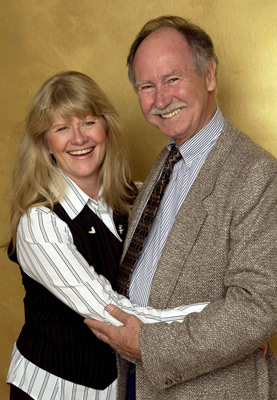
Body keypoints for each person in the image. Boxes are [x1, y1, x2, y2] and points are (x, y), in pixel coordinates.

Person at [85, 16, 277, 400]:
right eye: (146, 86)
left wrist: (149, 346)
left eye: (172, 79)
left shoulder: (256, 173)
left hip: (211, 390)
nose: (160, 100)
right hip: (140, 382)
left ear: (209, 75)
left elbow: (259, 305)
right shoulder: (169, 158)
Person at [5, 70, 210, 400]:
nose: (79, 138)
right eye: (61, 128)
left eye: (87, 122)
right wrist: (224, 325)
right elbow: (113, 314)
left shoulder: (139, 197)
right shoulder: (39, 222)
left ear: (106, 127)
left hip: (118, 388)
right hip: (54, 389)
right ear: (46, 144)